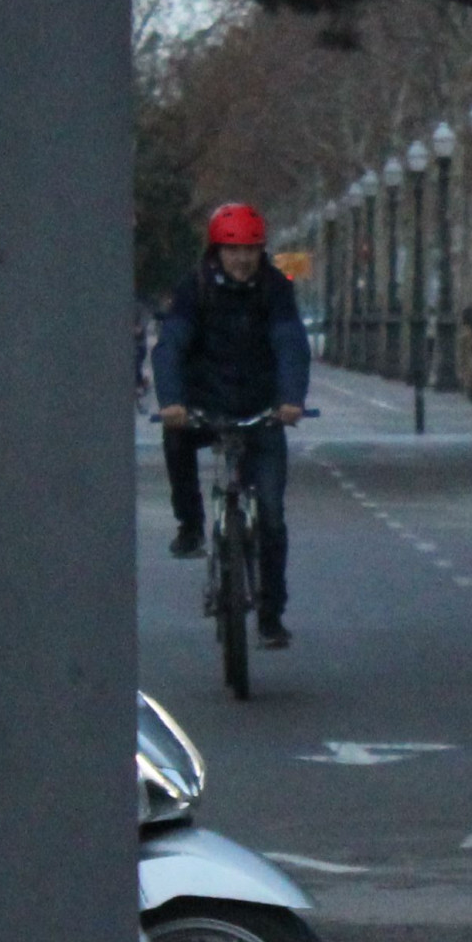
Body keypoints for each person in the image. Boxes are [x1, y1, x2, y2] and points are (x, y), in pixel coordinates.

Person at [155, 203, 313, 647]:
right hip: (205, 405)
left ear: (261, 251)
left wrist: (290, 399)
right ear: (216, 251)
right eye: (232, 250)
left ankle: (270, 613)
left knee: (273, 518)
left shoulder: (275, 289)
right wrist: (172, 401)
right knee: (175, 440)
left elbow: (290, 344)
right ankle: (190, 525)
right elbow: (170, 346)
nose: (242, 259)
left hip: (261, 410)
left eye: (250, 250)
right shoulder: (196, 288)